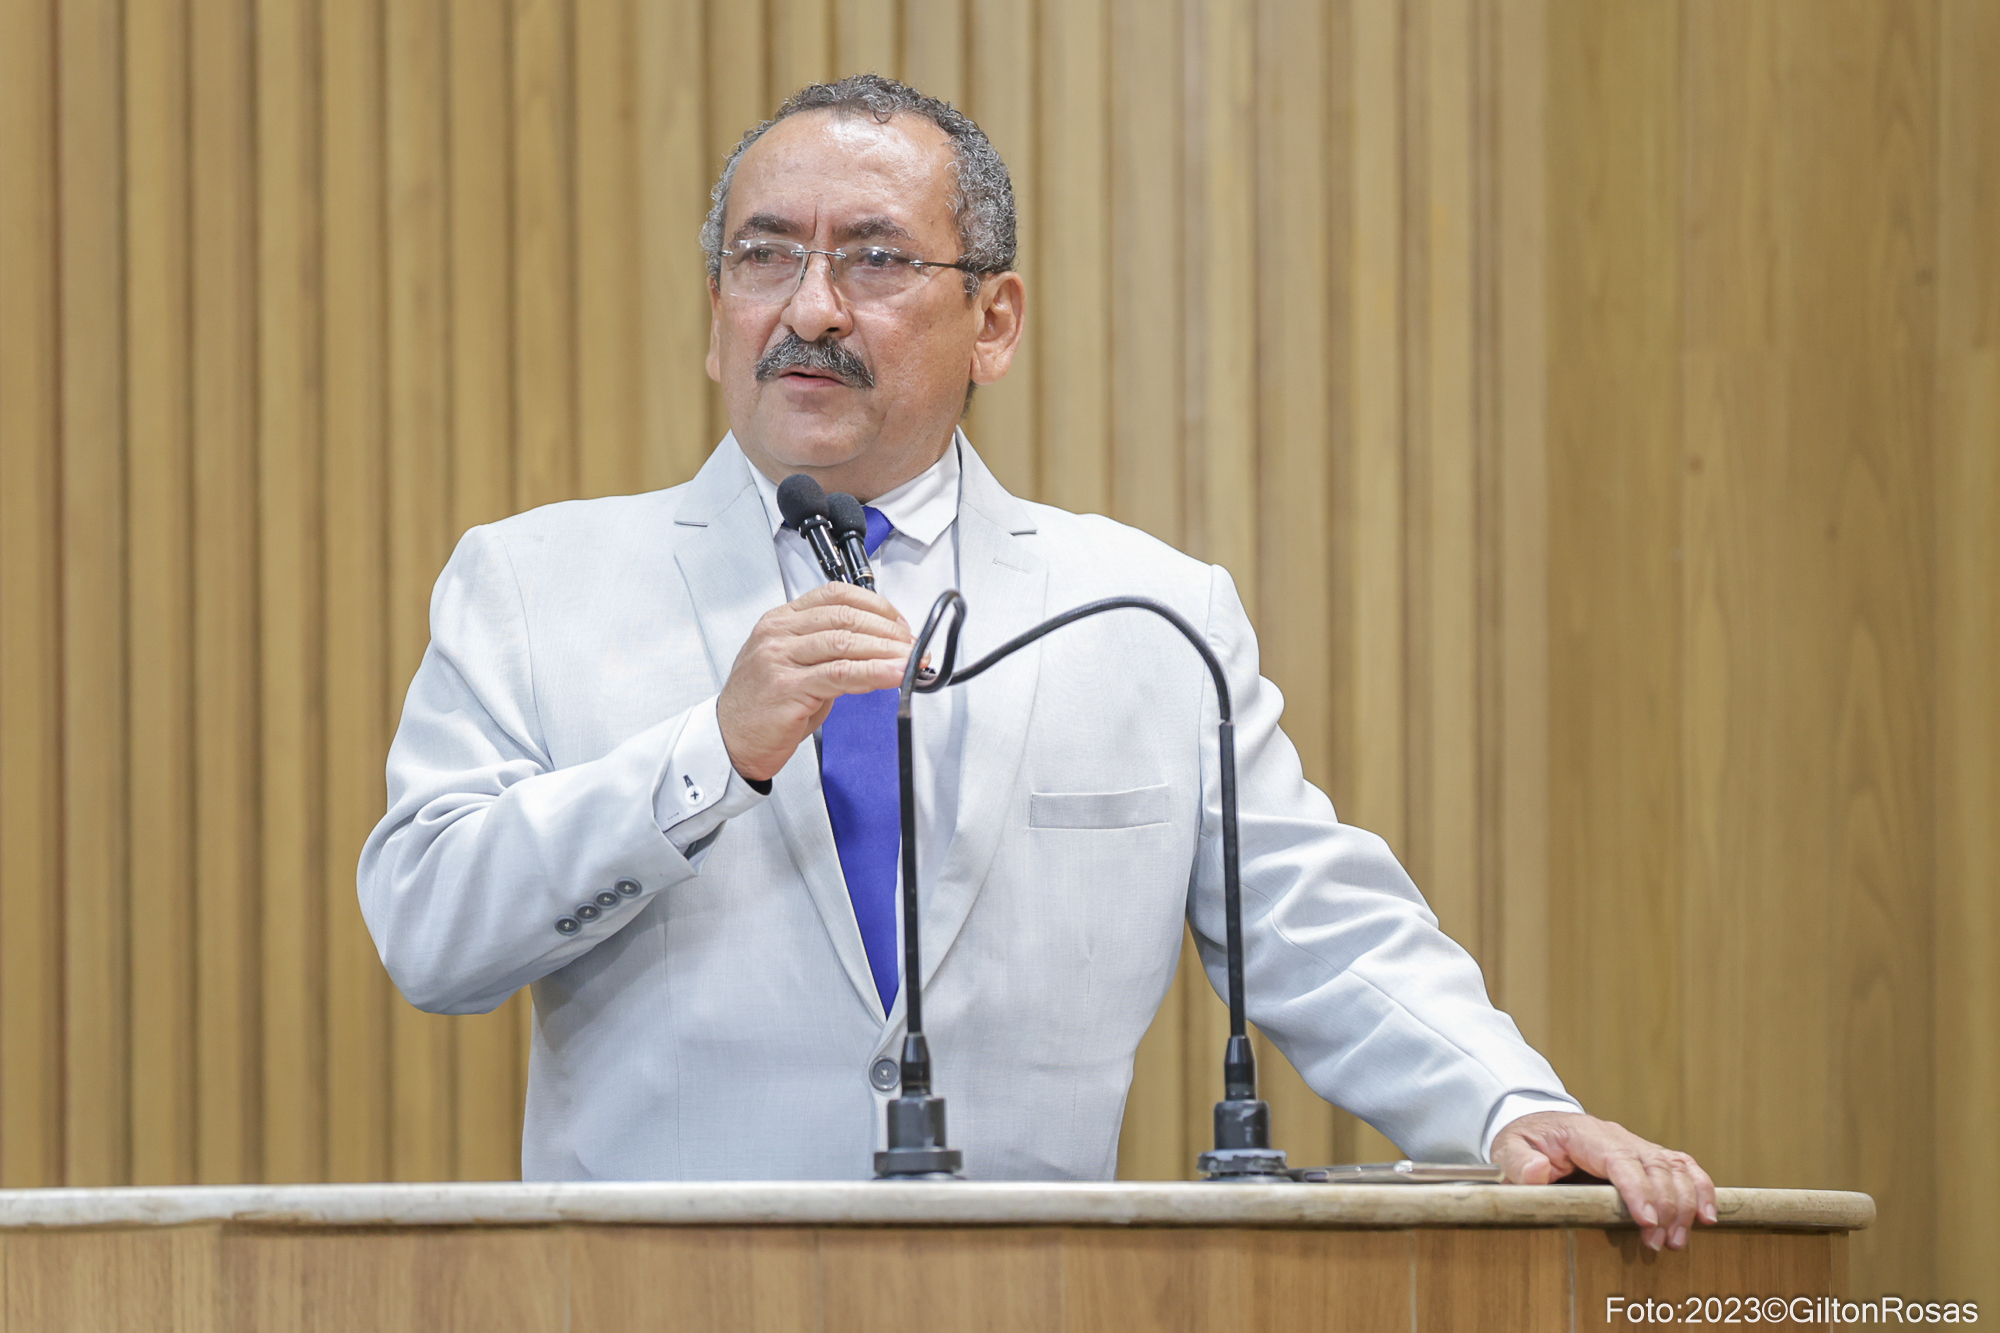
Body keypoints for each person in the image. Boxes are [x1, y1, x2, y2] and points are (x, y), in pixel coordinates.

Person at [359, 74, 1716, 1252]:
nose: (809, 307)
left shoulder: (1144, 613)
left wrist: (1507, 1104)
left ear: (995, 321)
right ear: (717, 308)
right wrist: (708, 754)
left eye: (874, 260)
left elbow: (1314, 921)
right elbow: (429, 927)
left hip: (1029, 1292)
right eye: (763, 256)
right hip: (657, 1299)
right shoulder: (535, 583)